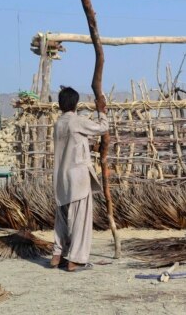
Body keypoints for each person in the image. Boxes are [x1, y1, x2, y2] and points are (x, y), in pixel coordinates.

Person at [50, 87, 109, 272]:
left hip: (61, 179)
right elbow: (103, 127)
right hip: (77, 179)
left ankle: (56, 255)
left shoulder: (58, 124)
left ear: (60, 105)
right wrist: (101, 111)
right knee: (80, 221)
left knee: (61, 220)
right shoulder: (77, 122)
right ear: (76, 104)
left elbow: (74, 144)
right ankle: (75, 260)